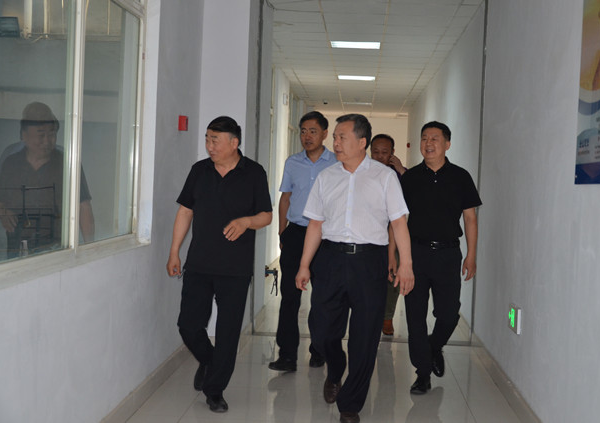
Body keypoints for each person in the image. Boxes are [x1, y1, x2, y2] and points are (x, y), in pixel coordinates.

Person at [296, 114, 414, 423]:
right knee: (321, 330)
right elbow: (315, 224)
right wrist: (304, 265)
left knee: (365, 337)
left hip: (369, 261)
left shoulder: (384, 177)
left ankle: (350, 405)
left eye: (341, 137)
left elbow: (399, 223)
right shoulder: (326, 177)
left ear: (362, 142)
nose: (335, 143)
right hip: (331, 259)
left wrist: (406, 265)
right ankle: (335, 367)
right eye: (335, 137)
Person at [166, 116, 272, 413]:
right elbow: (185, 212)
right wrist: (174, 252)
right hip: (199, 264)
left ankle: (214, 390)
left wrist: (246, 221)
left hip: (235, 269)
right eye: (207, 139)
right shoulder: (199, 170)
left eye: (215, 140)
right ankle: (210, 360)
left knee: (228, 332)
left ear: (234, 143)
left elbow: (266, 215)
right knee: (188, 325)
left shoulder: (254, 173)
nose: (209, 145)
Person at [400, 121, 482, 395]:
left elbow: (470, 219)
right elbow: (398, 220)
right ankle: (422, 374)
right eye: (424, 138)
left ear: (447, 144)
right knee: (415, 316)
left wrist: (471, 255)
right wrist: (395, 256)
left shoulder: (461, 177)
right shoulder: (410, 178)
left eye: (434, 138)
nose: (428, 143)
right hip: (415, 254)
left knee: (448, 314)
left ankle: (434, 347)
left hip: (448, 254)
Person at [268, 111, 337, 372]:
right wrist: (281, 233)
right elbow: (285, 198)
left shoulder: (336, 163)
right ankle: (287, 355)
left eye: (313, 131)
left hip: (325, 237)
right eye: (303, 131)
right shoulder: (292, 162)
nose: (307, 136)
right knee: (289, 297)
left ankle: (318, 349)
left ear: (324, 134)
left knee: (322, 298)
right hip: (296, 234)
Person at [0, 102, 94, 258]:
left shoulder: (67, 164)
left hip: (56, 250)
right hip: (17, 250)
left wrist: (90, 250)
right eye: (41, 135)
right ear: (24, 136)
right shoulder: (11, 163)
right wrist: (2, 212)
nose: (47, 141)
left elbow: (84, 206)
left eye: (52, 134)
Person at [369, 134, 406, 336]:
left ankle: (387, 317)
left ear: (392, 153)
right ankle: (370, 315)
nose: (379, 156)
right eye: (375, 152)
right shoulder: (362, 172)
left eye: (384, 152)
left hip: (393, 229)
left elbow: (415, 192)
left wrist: (401, 170)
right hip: (368, 231)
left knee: (392, 274)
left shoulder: (399, 174)